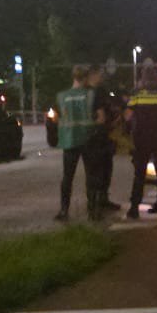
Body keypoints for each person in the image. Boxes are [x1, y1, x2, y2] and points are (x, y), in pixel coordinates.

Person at [125, 69, 157, 220]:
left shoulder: (137, 94)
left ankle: (134, 208)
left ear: (143, 80)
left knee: (139, 174)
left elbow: (128, 115)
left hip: (141, 139)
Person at [51, 64, 97, 221]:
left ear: (73, 77)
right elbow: (97, 116)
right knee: (90, 176)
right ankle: (92, 210)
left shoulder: (61, 96)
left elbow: (55, 117)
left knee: (67, 177)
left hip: (69, 140)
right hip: (88, 139)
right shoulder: (90, 95)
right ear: (85, 78)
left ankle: (64, 210)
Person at [82, 67, 123, 220]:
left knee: (106, 169)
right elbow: (98, 115)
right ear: (92, 75)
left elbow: (109, 108)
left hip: (105, 136)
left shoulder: (101, 91)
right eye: (100, 74)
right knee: (94, 173)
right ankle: (93, 206)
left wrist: (115, 116)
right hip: (93, 137)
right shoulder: (87, 92)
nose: (102, 77)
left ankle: (103, 200)